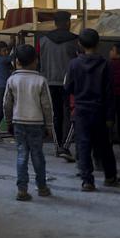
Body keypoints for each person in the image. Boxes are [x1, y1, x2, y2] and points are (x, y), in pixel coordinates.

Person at [64, 29, 119, 191]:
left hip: (81, 111)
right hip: (100, 110)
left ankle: (87, 180)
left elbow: (68, 87)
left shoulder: (74, 64)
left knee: (83, 145)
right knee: (105, 145)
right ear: (98, 44)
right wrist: (110, 116)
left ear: (79, 44)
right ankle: (110, 176)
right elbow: (109, 92)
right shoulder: (105, 64)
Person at [3, 44, 53, 200]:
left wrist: (8, 122)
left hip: (18, 123)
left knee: (21, 155)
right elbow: (47, 106)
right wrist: (49, 125)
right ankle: (42, 187)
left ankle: (22, 190)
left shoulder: (12, 80)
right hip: (36, 124)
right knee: (38, 155)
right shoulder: (40, 80)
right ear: (36, 61)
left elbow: (6, 104)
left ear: (17, 62)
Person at [39, 11, 78, 160]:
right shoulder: (75, 40)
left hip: (49, 82)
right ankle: (65, 146)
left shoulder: (43, 40)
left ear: (55, 23)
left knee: (55, 114)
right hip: (69, 83)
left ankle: (57, 146)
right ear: (68, 23)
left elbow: (39, 60)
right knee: (69, 113)